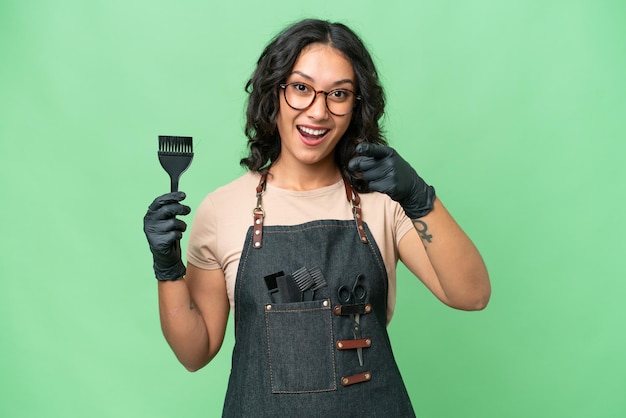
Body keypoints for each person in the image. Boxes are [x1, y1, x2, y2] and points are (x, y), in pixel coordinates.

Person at [143, 18, 490, 417]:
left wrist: (419, 196)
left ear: (356, 106)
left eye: (338, 94)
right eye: (301, 88)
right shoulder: (223, 209)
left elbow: (472, 295)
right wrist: (167, 268)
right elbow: (195, 352)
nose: (318, 111)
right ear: (274, 94)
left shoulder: (383, 203)